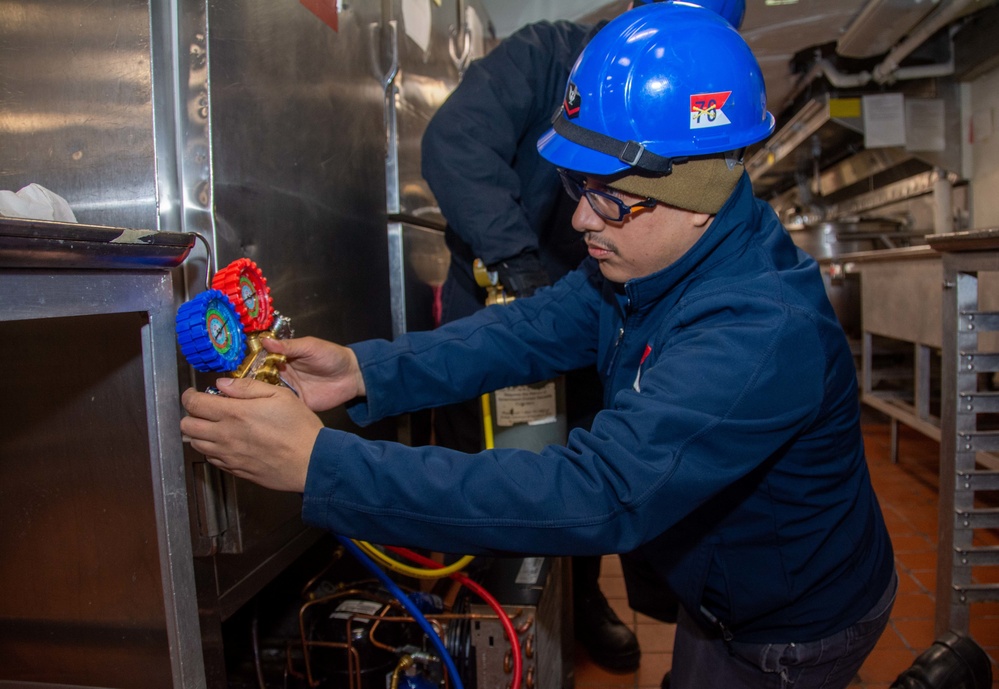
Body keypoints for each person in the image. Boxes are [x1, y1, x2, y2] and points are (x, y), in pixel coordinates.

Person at [180, 5, 897, 688]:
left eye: (608, 195)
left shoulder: (757, 330)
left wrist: (321, 464)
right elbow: (528, 327)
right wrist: (366, 369)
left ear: (698, 191)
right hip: (723, 586)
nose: (581, 216)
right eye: (574, 184)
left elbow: (595, 494)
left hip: (786, 628)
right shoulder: (648, 258)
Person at [421, 0, 745, 673]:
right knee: (491, 470)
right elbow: (454, 143)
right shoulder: (544, 57)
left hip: (596, 305)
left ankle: (580, 599)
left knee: (587, 457)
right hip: (503, 302)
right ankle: (480, 615)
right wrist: (518, 261)